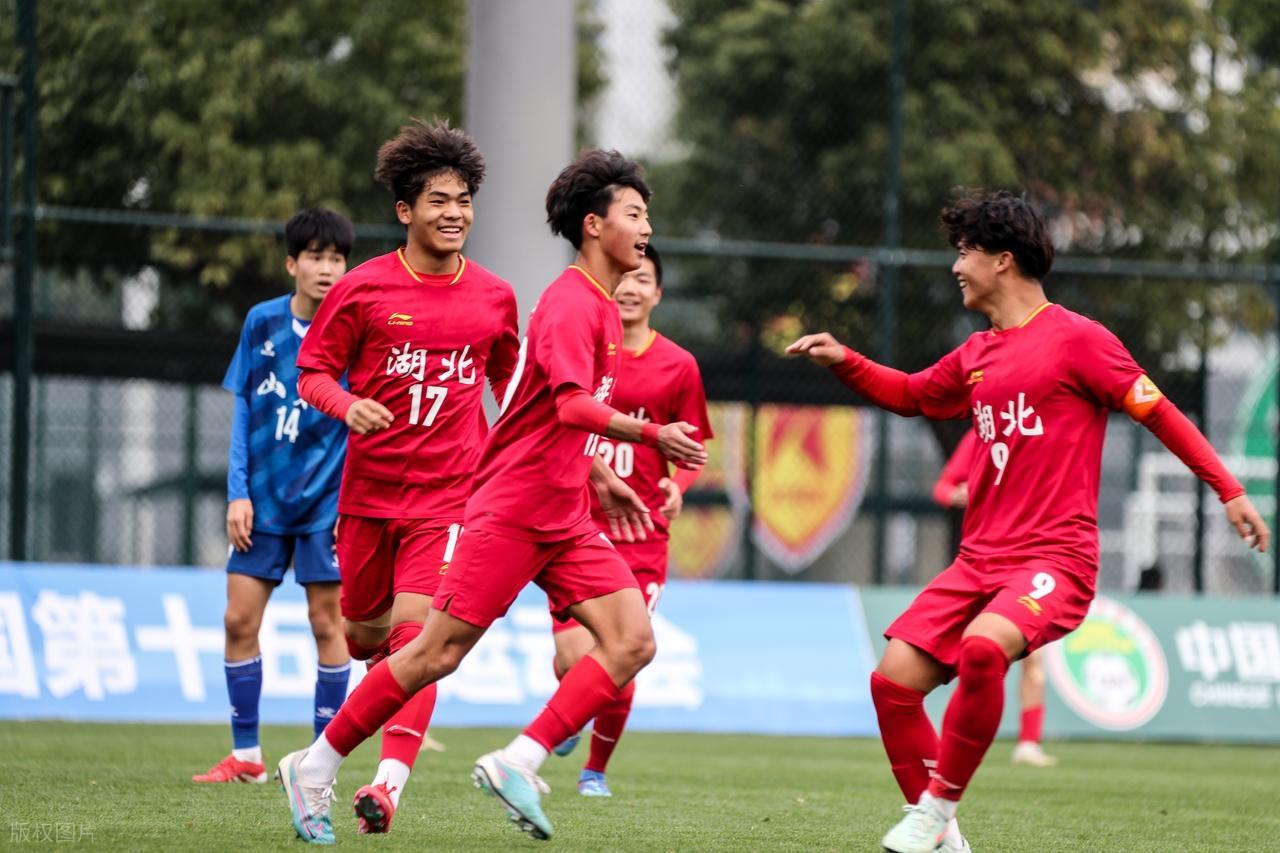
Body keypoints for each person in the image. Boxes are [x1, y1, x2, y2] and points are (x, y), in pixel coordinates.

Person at [787, 189, 1268, 853]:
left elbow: (1160, 412)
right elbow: (912, 394)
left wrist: (1229, 489)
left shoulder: (1080, 340)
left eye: (965, 251)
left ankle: (935, 810)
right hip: (978, 560)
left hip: (1054, 559)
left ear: (1002, 260)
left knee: (984, 649)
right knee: (892, 682)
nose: (956, 265)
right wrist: (845, 360)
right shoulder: (977, 353)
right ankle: (945, 838)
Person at [276, 149, 707, 845]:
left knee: (632, 641)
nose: (648, 229)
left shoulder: (558, 303)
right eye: (636, 215)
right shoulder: (569, 303)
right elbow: (569, 405)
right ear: (595, 225)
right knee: (424, 654)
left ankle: (514, 760)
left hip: (536, 508)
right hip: (506, 510)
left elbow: (524, 396)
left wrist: (597, 471)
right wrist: (651, 433)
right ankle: (315, 763)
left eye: (464, 200)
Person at [290, 119, 520, 835]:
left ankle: (385, 786)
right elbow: (312, 372)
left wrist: (522, 453)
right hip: (367, 499)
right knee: (365, 637)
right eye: (438, 200)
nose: (454, 213)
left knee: (419, 641)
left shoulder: (495, 296)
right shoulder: (362, 289)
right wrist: (347, 404)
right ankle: (349, 726)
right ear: (405, 210)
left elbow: (510, 383)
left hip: (450, 500)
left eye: (464, 201)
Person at [193, 208, 355, 785]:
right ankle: (247, 757)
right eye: (315, 257)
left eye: (337, 258)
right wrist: (237, 493)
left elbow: (365, 425)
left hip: (326, 508)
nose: (327, 268)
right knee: (238, 619)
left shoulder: (355, 332)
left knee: (328, 626)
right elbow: (244, 411)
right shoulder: (261, 322)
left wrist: (349, 507)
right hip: (261, 503)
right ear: (292, 264)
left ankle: (317, 764)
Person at [550, 243, 714, 797]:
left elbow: (693, 449)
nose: (632, 288)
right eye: (627, 277)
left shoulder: (678, 365)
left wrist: (676, 485)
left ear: (658, 293)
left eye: (645, 280)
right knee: (573, 657)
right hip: (574, 524)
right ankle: (568, 709)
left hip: (641, 534)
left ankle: (594, 771)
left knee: (624, 652)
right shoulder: (585, 348)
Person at [933, 431, 1056, 768]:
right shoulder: (981, 433)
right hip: (982, 564)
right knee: (975, 658)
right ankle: (953, 741)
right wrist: (958, 493)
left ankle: (1028, 743)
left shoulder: (1042, 432)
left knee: (1034, 660)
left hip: (1030, 564)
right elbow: (942, 487)